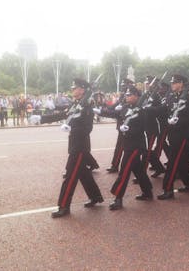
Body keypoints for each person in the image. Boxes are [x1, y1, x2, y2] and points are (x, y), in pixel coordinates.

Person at [31, 78, 103, 218]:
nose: (72, 90)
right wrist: (41, 119)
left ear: (82, 90)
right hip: (74, 145)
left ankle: (64, 206)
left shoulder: (87, 106)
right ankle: (95, 197)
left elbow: (88, 128)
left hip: (80, 147)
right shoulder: (75, 104)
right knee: (83, 173)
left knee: (70, 176)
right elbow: (61, 115)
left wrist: (72, 129)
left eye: (74, 88)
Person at [106, 85, 153, 210]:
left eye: (129, 95)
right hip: (128, 143)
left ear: (137, 96)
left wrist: (129, 129)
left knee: (125, 170)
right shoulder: (126, 107)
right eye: (126, 95)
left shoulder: (142, 109)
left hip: (136, 144)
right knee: (138, 170)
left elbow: (143, 127)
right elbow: (115, 113)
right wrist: (99, 111)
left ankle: (118, 197)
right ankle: (147, 191)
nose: (126, 97)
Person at [158, 74, 189, 200]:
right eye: (172, 83)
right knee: (181, 162)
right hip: (173, 133)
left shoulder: (188, 97)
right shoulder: (172, 96)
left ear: (181, 83)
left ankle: (168, 189)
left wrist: (178, 121)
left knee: (173, 162)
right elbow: (165, 109)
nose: (172, 85)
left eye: (175, 83)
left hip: (182, 134)